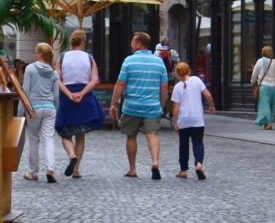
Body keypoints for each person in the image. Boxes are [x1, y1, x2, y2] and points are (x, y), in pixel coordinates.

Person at [113, 32, 170, 179]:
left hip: (132, 106)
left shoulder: (129, 61)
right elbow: (164, 86)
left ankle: (132, 169)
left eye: (133, 41)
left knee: (131, 136)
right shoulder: (159, 62)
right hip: (152, 106)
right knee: (152, 135)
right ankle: (155, 162)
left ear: (139, 44)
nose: (131, 44)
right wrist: (162, 103)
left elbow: (121, 84)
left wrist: (114, 103)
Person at [55, 30, 105, 176]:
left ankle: (72, 155)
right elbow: (94, 79)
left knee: (65, 134)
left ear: (72, 42)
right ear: (83, 43)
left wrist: (69, 94)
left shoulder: (62, 57)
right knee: (81, 135)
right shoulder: (89, 58)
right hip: (84, 96)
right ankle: (76, 169)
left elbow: (57, 79)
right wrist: (82, 93)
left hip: (67, 95)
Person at [16, 44, 62, 184]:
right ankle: (50, 169)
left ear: (40, 54)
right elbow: (56, 96)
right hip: (49, 108)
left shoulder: (30, 69)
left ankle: (33, 172)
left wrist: (20, 111)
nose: (34, 54)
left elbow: (25, 91)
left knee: (34, 140)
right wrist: (56, 109)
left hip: (34, 108)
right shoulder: (54, 73)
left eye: (35, 52)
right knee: (49, 139)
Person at [170, 61, 213, 180]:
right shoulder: (197, 80)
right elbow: (208, 95)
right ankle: (199, 164)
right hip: (197, 119)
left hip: (184, 120)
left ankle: (183, 170)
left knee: (183, 145)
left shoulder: (177, 87)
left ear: (177, 74)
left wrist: (175, 122)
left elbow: (176, 108)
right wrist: (211, 106)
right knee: (198, 143)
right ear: (188, 70)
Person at [251, 45, 275, 129]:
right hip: (273, 86)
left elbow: (254, 73)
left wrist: (253, 82)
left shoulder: (260, 61)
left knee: (264, 104)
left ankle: (268, 123)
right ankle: (268, 122)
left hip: (264, 86)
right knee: (271, 105)